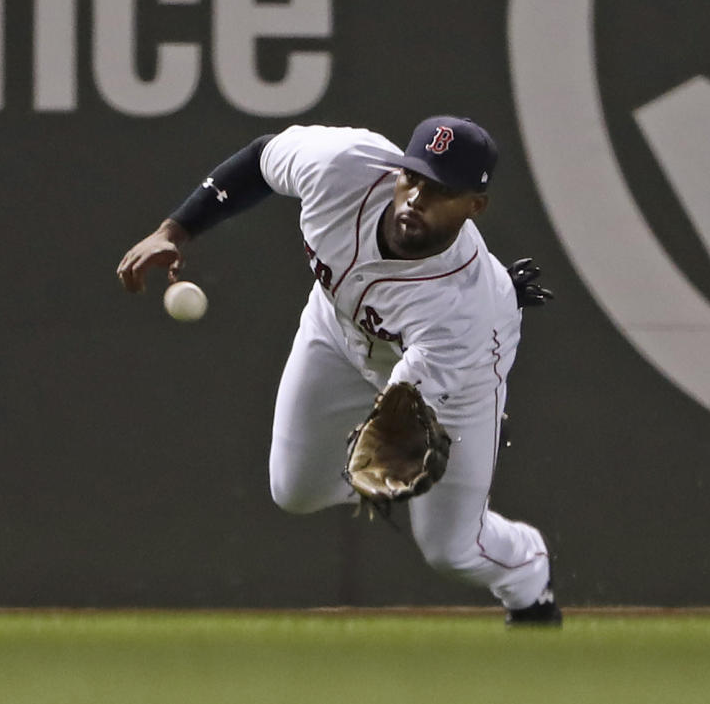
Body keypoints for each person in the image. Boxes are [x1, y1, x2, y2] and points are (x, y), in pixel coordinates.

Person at [117, 116, 561, 626]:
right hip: (335, 328)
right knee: (294, 490)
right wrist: (173, 230)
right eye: (413, 176)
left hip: (453, 378)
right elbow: (263, 157)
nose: (416, 196)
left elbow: (405, 406)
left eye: (440, 191)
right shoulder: (343, 166)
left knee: (452, 550)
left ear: (474, 206)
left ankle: (527, 571)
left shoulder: (465, 313)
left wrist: (395, 446)